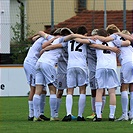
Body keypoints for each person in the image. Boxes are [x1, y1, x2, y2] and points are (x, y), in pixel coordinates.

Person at [33, 28, 73, 122]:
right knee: (52, 90)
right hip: (48, 64)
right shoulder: (63, 41)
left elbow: (41, 33)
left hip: (39, 63)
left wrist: (45, 47)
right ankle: (53, 116)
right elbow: (69, 38)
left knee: (38, 90)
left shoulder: (52, 38)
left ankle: (36, 116)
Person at [94, 24, 132, 121]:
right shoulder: (115, 41)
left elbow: (91, 43)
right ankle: (112, 115)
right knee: (112, 91)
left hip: (101, 66)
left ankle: (98, 115)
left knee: (100, 90)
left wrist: (96, 37)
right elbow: (127, 42)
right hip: (112, 67)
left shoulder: (97, 40)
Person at [23, 29, 60, 121]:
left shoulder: (42, 38)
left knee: (42, 89)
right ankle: (31, 114)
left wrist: (36, 36)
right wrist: (52, 39)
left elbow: (36, 37)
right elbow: (43, 45)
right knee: (33, 88)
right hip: (31, 63)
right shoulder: (48, 39)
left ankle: (40, 113)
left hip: (37, 63)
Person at [86, 29, 106, 119]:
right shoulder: (101, 45)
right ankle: (96, 112)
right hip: (96, 70)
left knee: (98, 91)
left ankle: (98, 112)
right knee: (97, 91)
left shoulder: (90, 45)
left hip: (96, 70)